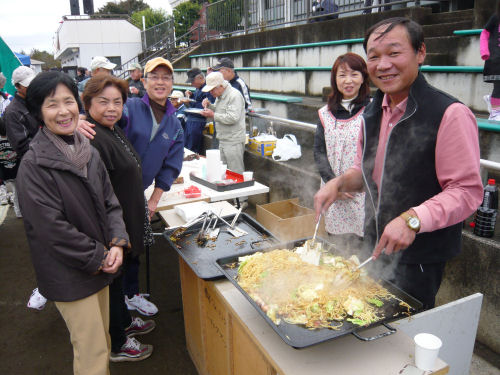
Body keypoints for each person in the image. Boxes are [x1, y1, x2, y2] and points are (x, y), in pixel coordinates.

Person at [314, 17, 483, 310]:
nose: (382, 64)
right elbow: (365, 173)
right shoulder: (370, 114)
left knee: (404, 336)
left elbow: (467, 192)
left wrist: (412, 219)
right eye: (374, 56)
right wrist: (338, 182)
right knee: (363, 318)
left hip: (418, 258)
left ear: (420, 53)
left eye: (394, 53)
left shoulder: (449, 113)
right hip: (373, 243)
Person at [18, 71, 128, 374]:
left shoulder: (88, 152)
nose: (64, 111)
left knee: (101, 342)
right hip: (69, 273)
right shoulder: (33, 165)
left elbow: (111, 202)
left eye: (69, 101)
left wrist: (118, 242)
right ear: (39, 112)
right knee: (91, 352)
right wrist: (100, 255)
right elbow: (51, 229)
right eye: (52, 104)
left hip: (100, 264)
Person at [79, 57, 184, 316]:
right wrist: (79, 119)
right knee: (111, 249)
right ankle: (112, 305)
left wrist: (153, 201)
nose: (160, 82)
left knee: (134, 247)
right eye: (154, 77)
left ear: (172, 83)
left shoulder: (175, 124)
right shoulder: (131, 108)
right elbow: (105, 114)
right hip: (109, 190)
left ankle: (132, 294)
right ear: (144, 81)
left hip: (137, 195)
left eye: (166, 77)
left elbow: (170, 167)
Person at [82, 74, 155, 362]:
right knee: (112, 284)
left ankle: (124, 322)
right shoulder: (90, 137)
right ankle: (118, 343)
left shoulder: (110, 129)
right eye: (103, 102)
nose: (111, 108)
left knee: (120, 281)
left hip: (127, 220)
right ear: (86, 104)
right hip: (112, 228)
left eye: (117, 102)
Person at [313, 52, 370, 239]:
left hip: (361, 191)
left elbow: (374, 154)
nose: (348, 81)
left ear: (363, 78)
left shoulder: (372, 111)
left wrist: (350, 185)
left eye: (354, 74)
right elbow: (319, 151)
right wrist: (334, 184)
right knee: (336, 244)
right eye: (342, 75)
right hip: (333, 190)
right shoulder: (325, 113)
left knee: (362, 240)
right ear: (334, 79)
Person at [201, 72, 246, 174]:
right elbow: (219, 110)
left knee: (236, 172)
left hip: (233, 140)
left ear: (221, 86)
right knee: (223, 171)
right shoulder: (220, 95)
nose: (211, 92)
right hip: (223, 139)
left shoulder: (234, 95)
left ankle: (238, 190)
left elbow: (232, 118)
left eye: (212, 89)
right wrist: (209, 105)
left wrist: (212, 114)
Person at [182, 67, 215, 154]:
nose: (192, 84)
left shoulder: (208, 88)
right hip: (191, 120)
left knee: (192, 149)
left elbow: (208, 105)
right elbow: (198, 100)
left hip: (199, 121)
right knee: (186, 148)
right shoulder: (198, 88)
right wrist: (191, 95)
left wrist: (189, 102)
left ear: (200, 78)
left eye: (193, 81)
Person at [480, 1, 500, 121]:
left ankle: (491, 99)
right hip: (495, 59)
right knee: (499, 85)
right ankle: (495, 112)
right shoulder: (496, 18)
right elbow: (484, 33)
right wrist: (484, 51)